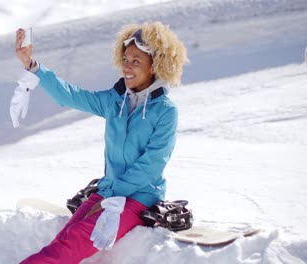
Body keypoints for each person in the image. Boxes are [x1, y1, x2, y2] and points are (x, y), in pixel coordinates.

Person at [12, 22, 188, 263]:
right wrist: (33, 67)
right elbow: (72, 96)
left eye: (136, 61)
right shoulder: (115, 101)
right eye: (125, 59)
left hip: (138, 197)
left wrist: (114, 198)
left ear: (155, 66)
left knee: (73, 243)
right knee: (64, 239)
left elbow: (153, 163)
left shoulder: (166, 111)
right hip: (107, 191)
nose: (127, 66)